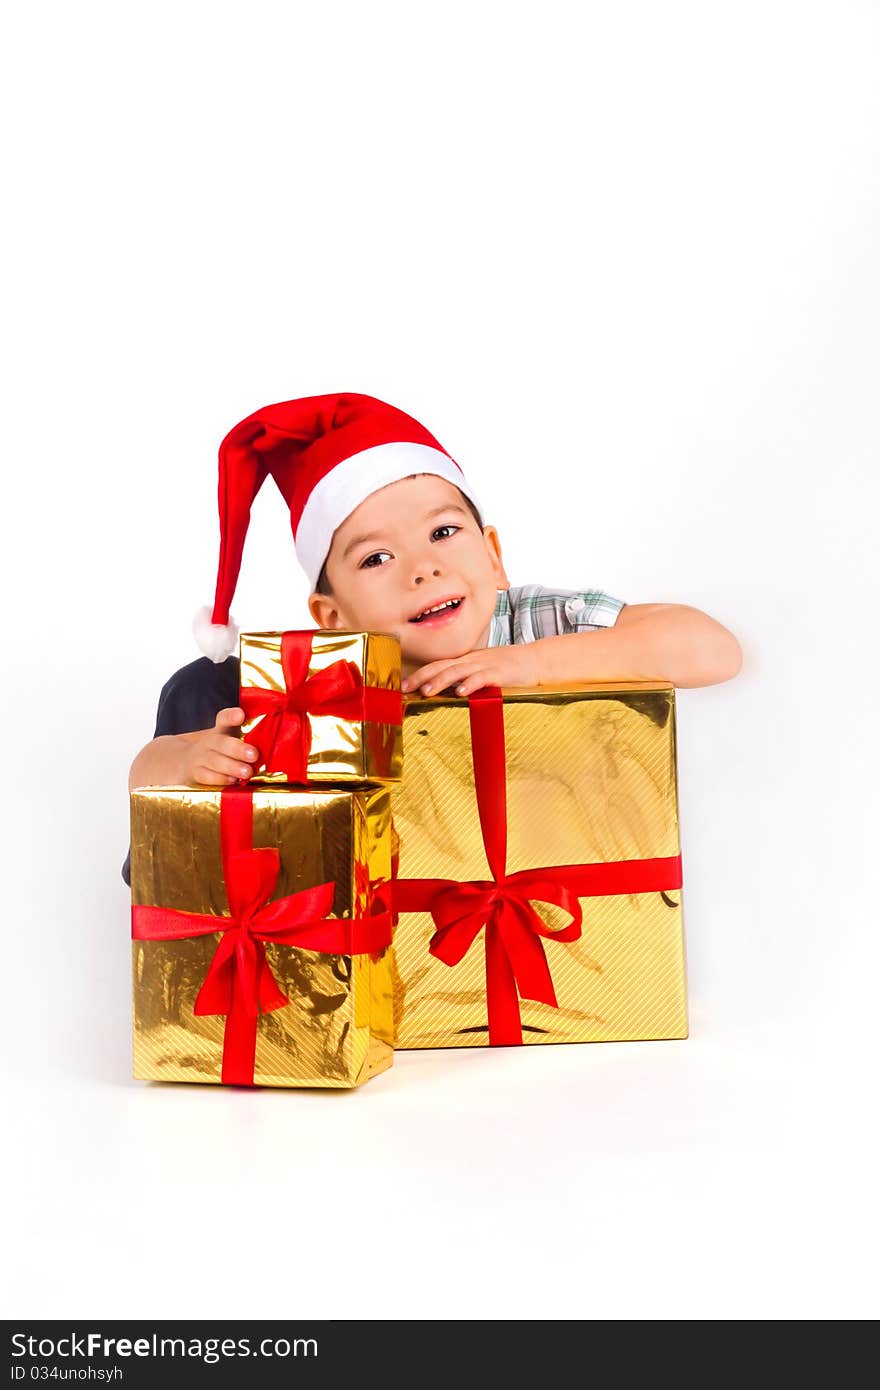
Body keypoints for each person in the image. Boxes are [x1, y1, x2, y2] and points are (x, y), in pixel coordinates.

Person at [123, 391, 742, 884]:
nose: (423, 568)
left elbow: (712, 649)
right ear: (331, 616)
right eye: (376, 559)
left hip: (557, 896)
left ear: (494, 556)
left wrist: (529, 666)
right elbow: (146, 785)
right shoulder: (319, 685)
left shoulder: (534, 624)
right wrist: (183, 761)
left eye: (444, 533)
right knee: (197, 691)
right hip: (393, 942)